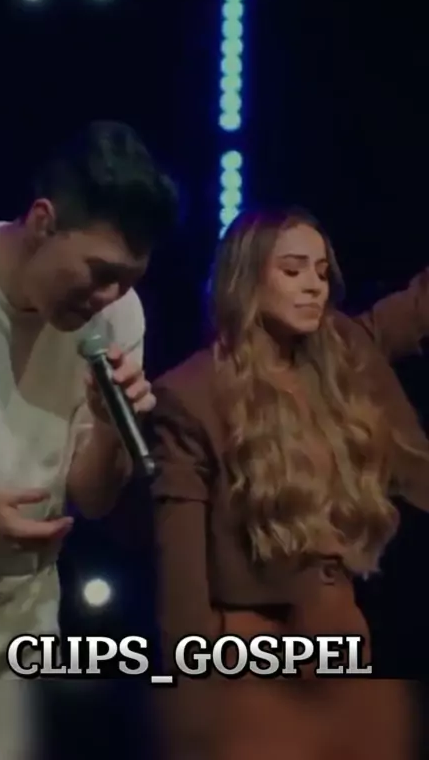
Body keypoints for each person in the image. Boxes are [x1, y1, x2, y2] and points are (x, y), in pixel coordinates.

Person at [149, 207, 428, 760]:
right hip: (249, 647)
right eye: (293, 270)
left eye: (322, 272)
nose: (314, 286)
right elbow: (181, 583)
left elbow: (415, 309)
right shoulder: (190, 395)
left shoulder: (342, 351)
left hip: (340, 635)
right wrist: (193, 694)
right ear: (246, 278)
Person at [0, 119, 177, 680]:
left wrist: (110, 428)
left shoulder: (120, 316)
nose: (109, 297)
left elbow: (92, 499)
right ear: (42, 222)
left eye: (129, 280)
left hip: (24, 639)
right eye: (101, 273)